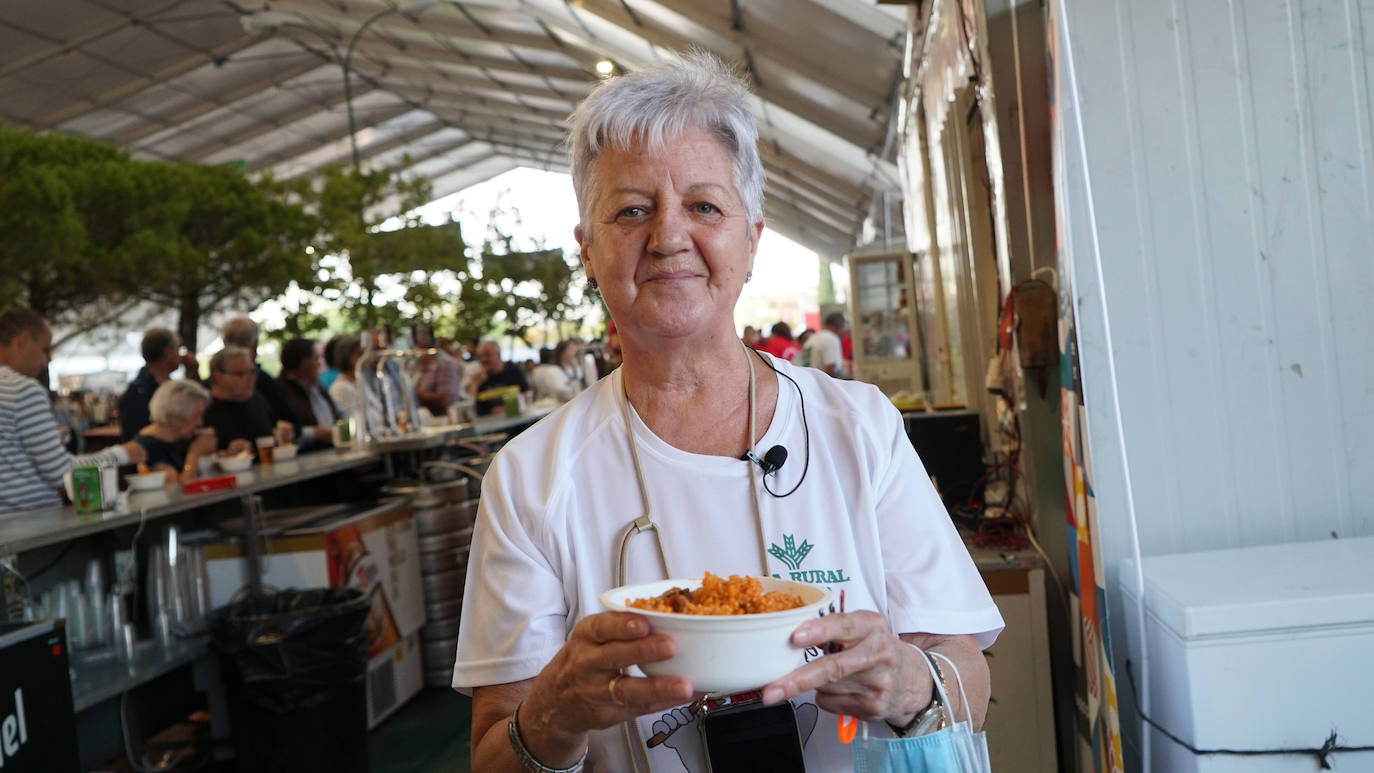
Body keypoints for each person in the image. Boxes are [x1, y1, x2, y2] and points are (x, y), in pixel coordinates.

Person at [452, 54, 1002, 772]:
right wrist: (554, 711)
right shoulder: (531, 477)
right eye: (631, 210)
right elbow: (493, 752)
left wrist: (905, 681)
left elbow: (969, 673)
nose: (668, 235)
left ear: (752, 241)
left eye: (704, 206)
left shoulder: (857, 426)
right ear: (588, 251)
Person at [0, 308, 147, 515]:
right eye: (44, 349)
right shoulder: (23, 390)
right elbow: (60, 472)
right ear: (23, 340)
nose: (46, 360)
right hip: (30, 526)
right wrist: (122, 454)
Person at [135, 379, 229, 482]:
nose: (200, 422)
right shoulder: (144, 450)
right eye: (196, 415)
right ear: (174, 416)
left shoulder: (180, 440)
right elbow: (177, 491)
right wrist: (194, 454)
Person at [202, 346, 293, 452]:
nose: (251, 378)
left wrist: (282, 436)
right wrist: (224, 456)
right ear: (218, 376)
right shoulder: (203, 409)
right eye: (240, 374)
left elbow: (271, 435)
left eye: (252, 372)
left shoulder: (257, 399)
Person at [117, 327, 197, 441]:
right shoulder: (139, 392)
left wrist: (192, 374)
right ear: (167, 353)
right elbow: (137, 439)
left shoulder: (163, 386)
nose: (182, 355)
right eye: (178, 349)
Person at [220, 316, 299, 430]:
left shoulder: (211, 386)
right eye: (239, 374)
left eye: (250, 373)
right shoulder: (266, 384)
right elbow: (293, 424)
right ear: (255, 345)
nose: (248, 379)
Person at [276, 338, 338, 449]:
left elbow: (338, 414)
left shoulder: (316, 385)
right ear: (304, 362)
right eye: (316, 358)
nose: (320, 363)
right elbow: (282, 432)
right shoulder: (280, 392)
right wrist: (314, 433)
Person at [328, 335, 384, 432]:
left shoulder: (360, 381)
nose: (365, 357)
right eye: (359, 353)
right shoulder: (341, 388)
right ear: (346, 356)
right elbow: (356, 422)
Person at [467, 340, 529, 414]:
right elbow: (470, 409)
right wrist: (474, 384)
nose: (483, 359)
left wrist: (506, 408)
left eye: (487, 355)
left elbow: (527, 395)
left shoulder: (513, 371)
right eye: (480, 356)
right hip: (490, 424)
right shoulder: (479, 379)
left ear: (498, 355)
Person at [805, 312, 849, 378]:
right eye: (843, 327)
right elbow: (830, 369)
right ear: (838, 326)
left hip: (806, 381)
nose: (844, 332)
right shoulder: (831, 338)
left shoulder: (815, 337)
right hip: (816, 383)